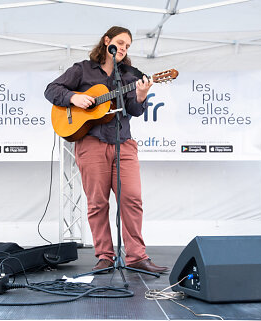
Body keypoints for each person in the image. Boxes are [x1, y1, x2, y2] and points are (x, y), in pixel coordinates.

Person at [44, 26, 169, 274]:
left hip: (123, 143)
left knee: (131, 199)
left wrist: (142, 95)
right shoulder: (82, 69)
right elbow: (51, 89)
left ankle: (136, 257)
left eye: (128, 46)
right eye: (120, 43)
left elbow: (134, 109)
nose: (123, 48)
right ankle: (104, 256)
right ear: (107, 41)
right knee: (97, 203)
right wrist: (73, 98)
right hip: (91, 144)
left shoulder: (131, 75)